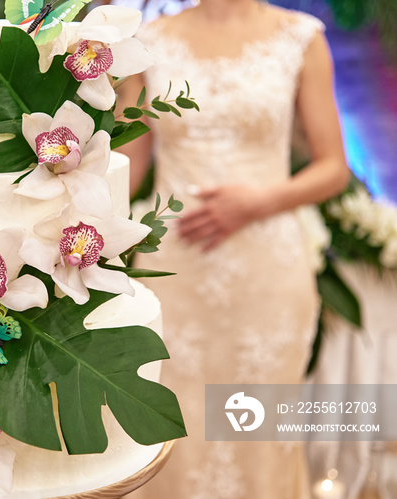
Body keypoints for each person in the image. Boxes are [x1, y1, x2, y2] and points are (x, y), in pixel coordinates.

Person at [118, 1, 350, 497]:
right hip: (171, 270)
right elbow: (125, 167)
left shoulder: (302, 38)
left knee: (258, 431)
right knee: (169, 424)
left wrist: (260, 201)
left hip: (266, 272)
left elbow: (333, 167)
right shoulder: (148, 40)